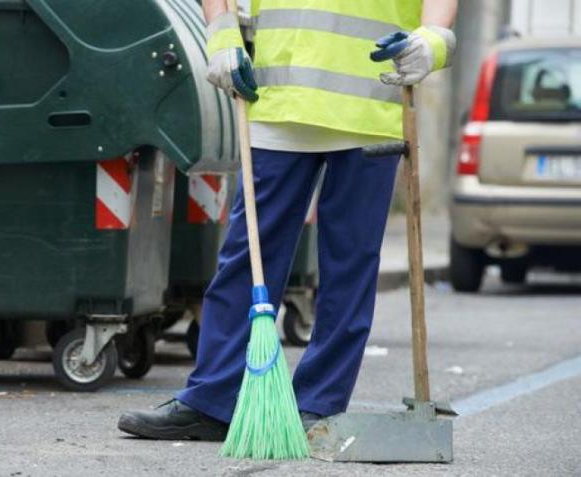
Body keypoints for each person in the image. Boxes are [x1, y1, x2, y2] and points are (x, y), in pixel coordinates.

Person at [118, 0, 458, 441]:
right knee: (247, 257)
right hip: (279, 100)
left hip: (369, 107)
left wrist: (432, 40)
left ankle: (317, 405)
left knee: (349, 267)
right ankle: (212, 401)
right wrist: (221, 37)